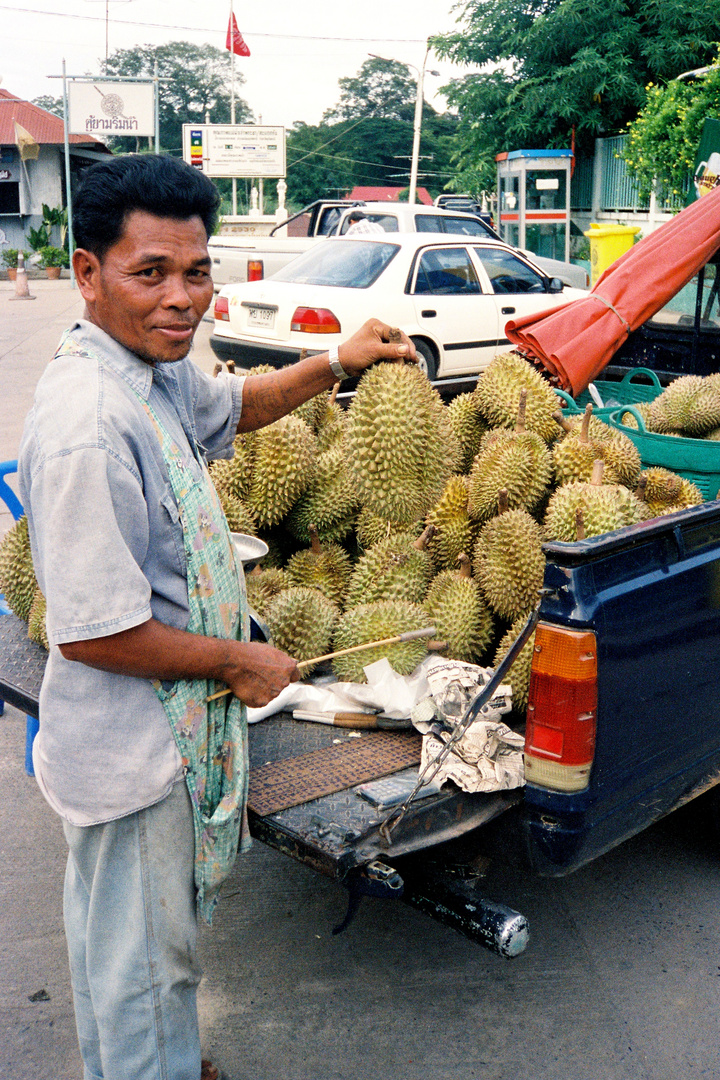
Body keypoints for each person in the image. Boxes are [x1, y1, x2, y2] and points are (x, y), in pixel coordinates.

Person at [17, 153, 415, 1080]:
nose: (181, 298)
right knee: (144, 970)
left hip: (162, 737)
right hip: (133, 752)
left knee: (127, 952)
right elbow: (92, 630)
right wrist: (237, 661)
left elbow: (235, 404)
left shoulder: (145, 374)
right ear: (87, 274)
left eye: (196, 272)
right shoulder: (88, 420)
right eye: (148, 272)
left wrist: (333, 362)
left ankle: (149, 1061)